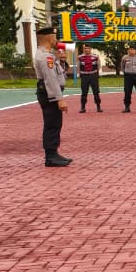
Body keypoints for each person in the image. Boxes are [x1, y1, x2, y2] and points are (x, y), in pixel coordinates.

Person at [34, 27, 72, 167]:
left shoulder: (49, 55)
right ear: (50, 38)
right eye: (55, 37)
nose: (57, 40)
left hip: (49, 92)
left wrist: (61, 61)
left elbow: (58, 74)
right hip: (49, 93)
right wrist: (59, 99)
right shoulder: (45, 56)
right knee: (52, 124)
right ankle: (50, 156)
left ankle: (54, 153)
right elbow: (50, 79)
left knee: (55, 124)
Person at [77, 44, 101, 113]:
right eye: (85, 48)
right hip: (84, 76)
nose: (86, 50)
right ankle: (83, 107)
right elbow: (78, 66)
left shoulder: (96, 56)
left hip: (93, 75)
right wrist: (80, 74)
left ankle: (98, 107)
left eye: (88, 48)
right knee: (84, 92)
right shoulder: (80, 57)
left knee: (96, 92)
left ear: (90, 49)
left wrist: (96, 74)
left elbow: (98, 66)